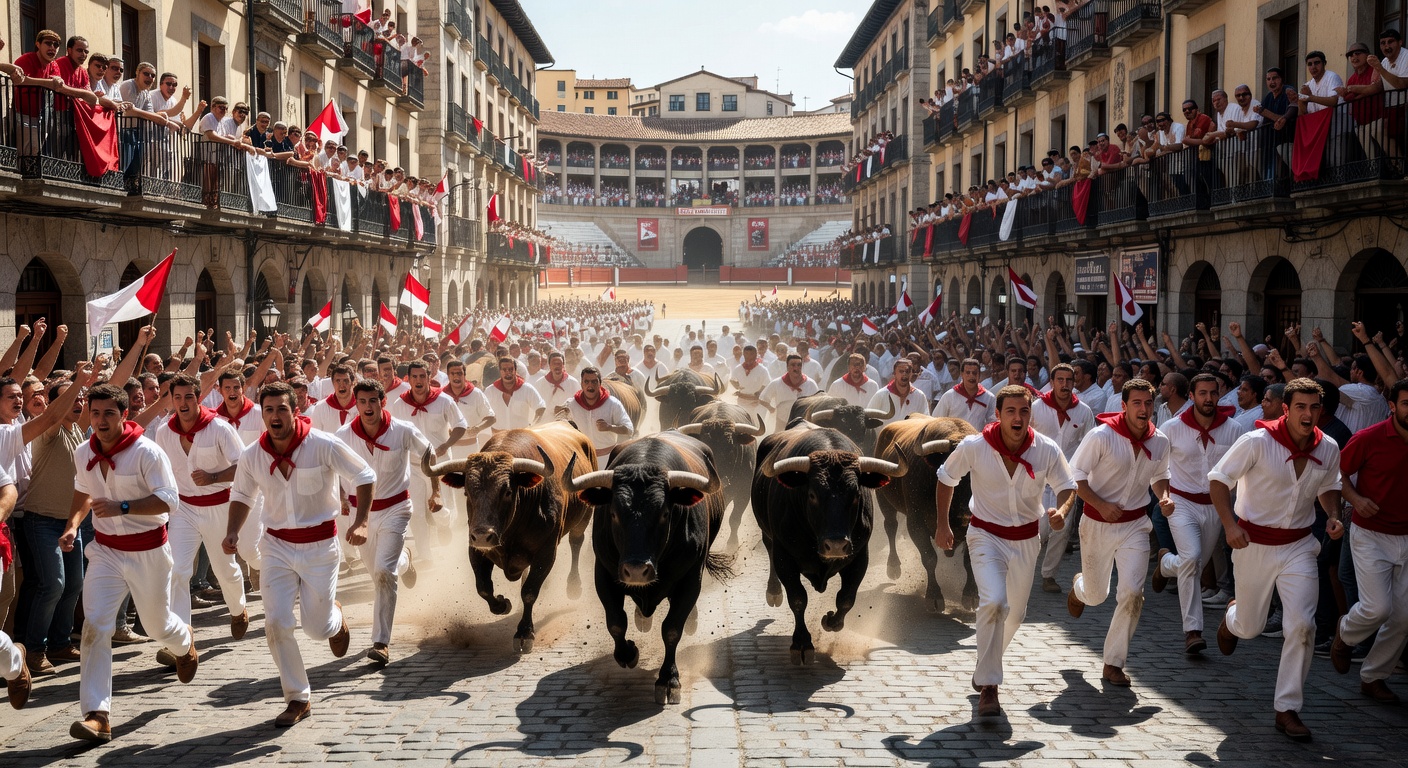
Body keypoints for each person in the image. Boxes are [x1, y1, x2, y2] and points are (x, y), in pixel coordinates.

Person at [225, 382, 376, 727]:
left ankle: (334, 620)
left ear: (296, 411)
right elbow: (242, 495)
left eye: (281, 409)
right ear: (261, 414)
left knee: (316, 628)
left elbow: (365, 475)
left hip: (320, 546)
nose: (275, 417)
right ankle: (297, 697)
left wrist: (363, 522)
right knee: (276, 623)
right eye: (268, 410)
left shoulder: (322, 445)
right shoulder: (252, 455)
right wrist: (232, 530)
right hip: (276, 547)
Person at [60, 381, 198, 743]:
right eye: (95, 413)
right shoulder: (82, 451)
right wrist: (73, 525)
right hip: (104, 552)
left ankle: (184, 643)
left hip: (149, 550)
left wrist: (124, 506)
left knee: (157, 626)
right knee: (95, 626)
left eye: (109, 413)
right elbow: (82, 489)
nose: (101, 420)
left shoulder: (146, 452)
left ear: (124, 415)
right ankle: (97, 714)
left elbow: (170, 501)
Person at [1210, 378, 1343, 742]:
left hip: (1299, 546)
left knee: (1301, 626)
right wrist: (1229, 526)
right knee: (1251, 627)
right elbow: (1219, 481)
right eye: (1300, 407)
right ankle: (1232, 618)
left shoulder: (1328, 447)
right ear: (1285, 409)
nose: (1308, 413)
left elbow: (1331, 485)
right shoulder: (1256, 442)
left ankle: (1287, 709)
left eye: (1314, 407)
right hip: (1252, 542)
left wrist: (1333, 514)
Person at [934, 385, 1076, 717]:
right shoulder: (975, 446)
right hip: (985, 536)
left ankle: (985, 666)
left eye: (1024, 411)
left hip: (1027, 540)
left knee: (1015, 614)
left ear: (1031, 415)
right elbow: (946, 477)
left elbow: (1068, 487)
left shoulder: (1047, 449)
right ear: (998, 415)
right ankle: (989, 686)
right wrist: (943, 524)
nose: (1017, 417)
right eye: (1010, 411)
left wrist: (1063, 511)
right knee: (995, 602)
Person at [1067, 379, 1173, 688]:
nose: (1144, 409)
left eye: (1148, 403)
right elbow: (1076, 477)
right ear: (1124, 406)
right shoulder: (1101, 436)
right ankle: (1081, 587)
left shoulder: (1160, 441)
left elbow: (1160, 475)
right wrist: (1100, 504)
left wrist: (1164, 496)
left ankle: (1113, 663)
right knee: (1098, 595)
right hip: (1096, 524)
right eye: (1137, 403)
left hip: (1135, 526)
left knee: (1131, 595)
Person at [150, 374, 250, 664]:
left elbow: (243, 466)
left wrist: (214, 477)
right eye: (177, 397)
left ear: (199, 398)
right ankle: (179, 641)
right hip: (183, 510)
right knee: (177, 570)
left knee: (224, 567)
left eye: (189, 397)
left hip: (219, 506)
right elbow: (161, 471)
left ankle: (238, 607)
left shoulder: (219, 428)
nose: (182, 403)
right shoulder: (163, 432)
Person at [335, 379, 433, 664]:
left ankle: (381, 642)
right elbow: (330, 469)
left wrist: (435, 488)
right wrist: (340, 496)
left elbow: (428, 454)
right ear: (356, 404)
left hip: (396, 508)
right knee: (377, 573)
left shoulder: (402, 431)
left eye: (372, 401)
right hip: (359, 515)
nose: (367, 407)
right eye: (362, 402)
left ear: (382, 402)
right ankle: (405, 558)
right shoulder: (342, 436)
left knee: (383, 572)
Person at [1151, 373, 1247, 654]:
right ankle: (1192, 630)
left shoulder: (1235, 430)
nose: (1208, 398)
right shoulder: (1170, 428)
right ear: (1191, 396)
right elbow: (1157, 471)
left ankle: (1166, 563)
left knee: (1192, 562)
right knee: (1192, 559)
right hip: (1182, 503)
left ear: (1220, 395)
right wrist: (1164, 497)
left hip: (1218, 508)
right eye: (1202, 393)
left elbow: (1244, 473)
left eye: (1213, 393)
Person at [1329, 379, 1408, 704]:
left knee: (1404, 617)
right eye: (1407, 403)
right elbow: (1336, 474)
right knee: (1378, 608)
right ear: (1392, 406)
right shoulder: (1369, 438)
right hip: (1371, 533)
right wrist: (1356, 499)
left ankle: (1374, 676)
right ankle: (1344, 634)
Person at [387, 361, 466, 558]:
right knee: (416, 512)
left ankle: (444, 527)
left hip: (440, 464)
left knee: (441, 505)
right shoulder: (399, 405)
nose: (418, 380)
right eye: (414, 377)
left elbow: (460, 426)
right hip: (412, 465)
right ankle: (426, 555)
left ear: (429, 378)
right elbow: (394, 434)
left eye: (422, 376)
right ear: (408, 379)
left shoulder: (444, 400)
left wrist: (446, 445)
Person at [1030, 363, 1094, 593]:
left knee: (1063, 527)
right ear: (1053, 382)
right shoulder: (1036, 407)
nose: (1065, 385)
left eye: (1069, 380)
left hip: (1067, 478)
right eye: (1060, 380)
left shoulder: (1084, 411)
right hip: (1037, 476)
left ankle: (1048, 575)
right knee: (1040, 528)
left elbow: (1090, 444)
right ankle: (1025, 568)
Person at [560, 367, 634, 458]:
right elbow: (558, 425)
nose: (590, 386)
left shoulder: (612, 404)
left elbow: (629, 429)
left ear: (600, 384)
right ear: (581, 384)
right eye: (586, 382)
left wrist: (610, 427)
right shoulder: (571, 405)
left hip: (607, 458)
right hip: (581, 459)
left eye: (594, 382)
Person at [759, 354, 820, 432]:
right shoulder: (777, 383)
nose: (796, 368)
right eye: (793, 365)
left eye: (799, 365)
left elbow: (818, 403)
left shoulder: (810, 384)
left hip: (803, 425)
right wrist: (771, 409)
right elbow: (762, 399)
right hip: (782, 423)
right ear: (787, 367)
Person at [933, 358, 996, 429]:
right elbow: (936, 420)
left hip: (977, 438)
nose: (971, 376)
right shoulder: (949, 396)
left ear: (979, 374)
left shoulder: (989, 397)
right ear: (962, 374)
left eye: (974, 373)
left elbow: (993, 423)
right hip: (953, 438)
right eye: (968, 372)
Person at [488, 357, 545, 431]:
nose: (508, 372)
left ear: (515, 370)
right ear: (500, 371)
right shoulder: (491, 390)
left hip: (520, 438)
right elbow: (483, 411)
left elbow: (540, 407)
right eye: (504, 370)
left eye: (511, 369)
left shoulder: (526, 388)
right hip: (498, 437)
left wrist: (534, 425)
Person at [866, 358, 927, 427]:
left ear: (911, 374)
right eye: (901, 371)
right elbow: (868, 419)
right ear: (894, 374)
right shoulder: (882, 394)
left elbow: (926, 422)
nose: (904, 374)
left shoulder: (919, 396)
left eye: (907, 371)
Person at [729, 345, 772, 426]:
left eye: (751, 354)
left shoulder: (763, 370)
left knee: (757, 426)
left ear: (756, 355)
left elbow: (767, 384)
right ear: (743, 355)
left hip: (757, 404)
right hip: (741, 403)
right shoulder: (738, 369)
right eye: (746, 354)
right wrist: (735, 385)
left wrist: (759, 391)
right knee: (742, 425)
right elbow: (732, 380)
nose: (749, 357)